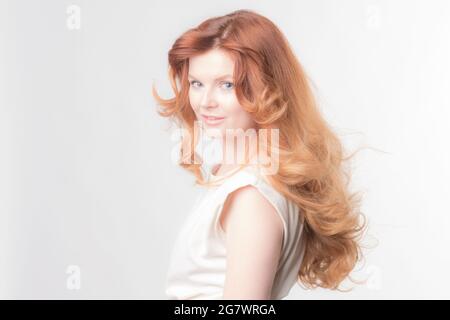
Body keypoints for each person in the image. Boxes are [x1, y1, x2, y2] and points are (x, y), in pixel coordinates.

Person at [152, 9, 367, 300]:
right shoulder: (240, 177)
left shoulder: (250, 196)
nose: (205, 102)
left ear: (267, 88)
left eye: (226, 85)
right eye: (196, 83)